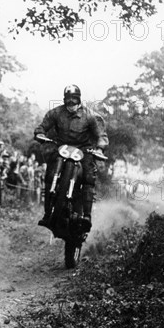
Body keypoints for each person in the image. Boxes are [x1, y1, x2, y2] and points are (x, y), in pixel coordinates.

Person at [34, 84, 108, 231]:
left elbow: (101, 135)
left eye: (74, 100)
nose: (71, 104)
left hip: (84, 150)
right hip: (62, 148)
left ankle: (87, 216)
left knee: (88, 177)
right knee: (49, 174)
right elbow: (43, 126)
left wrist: (99, 148)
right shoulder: (56, 113)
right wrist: (40, 133)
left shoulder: (90, 116)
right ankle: (47, 213)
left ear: (79, 100)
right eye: (68, 100)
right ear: (64, 100)